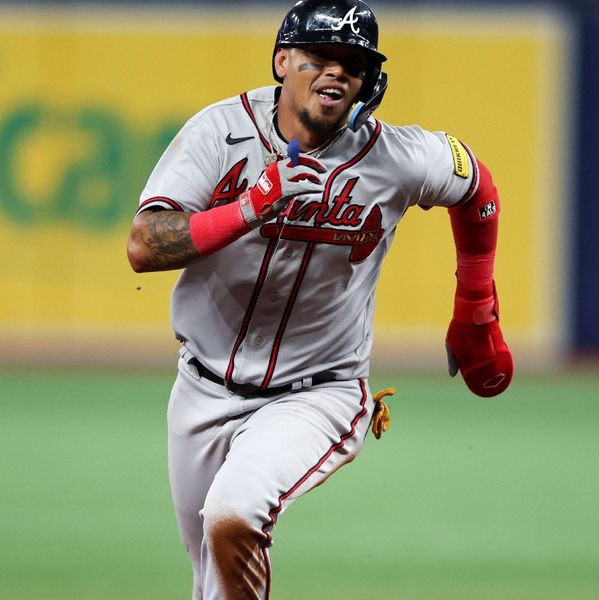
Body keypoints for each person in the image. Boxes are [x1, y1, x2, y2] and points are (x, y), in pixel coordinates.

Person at [127, 0, 513, 597]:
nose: (335, 72)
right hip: (200, 388)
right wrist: (249, 208)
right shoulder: (220, 130)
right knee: (211, 576)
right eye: (319, 57)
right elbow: (145, 245)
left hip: (317, 394)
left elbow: (477, 188)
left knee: (234, 515)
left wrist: (475, 306)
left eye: (352, 63)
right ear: (283, 60)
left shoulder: (397, 156)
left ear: (368, 81)